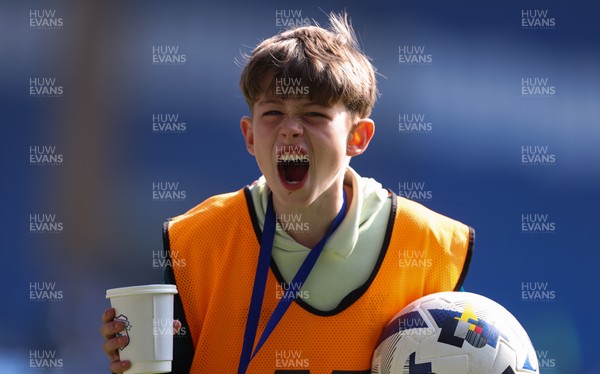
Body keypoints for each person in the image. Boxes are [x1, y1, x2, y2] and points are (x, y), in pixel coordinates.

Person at [100, 11, 474, 373]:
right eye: (273, 113)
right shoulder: (197, 242)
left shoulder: (430, 247)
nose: (290, 128)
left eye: (314, 114)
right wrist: (133, 366)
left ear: (357, 137)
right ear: (249, 135)